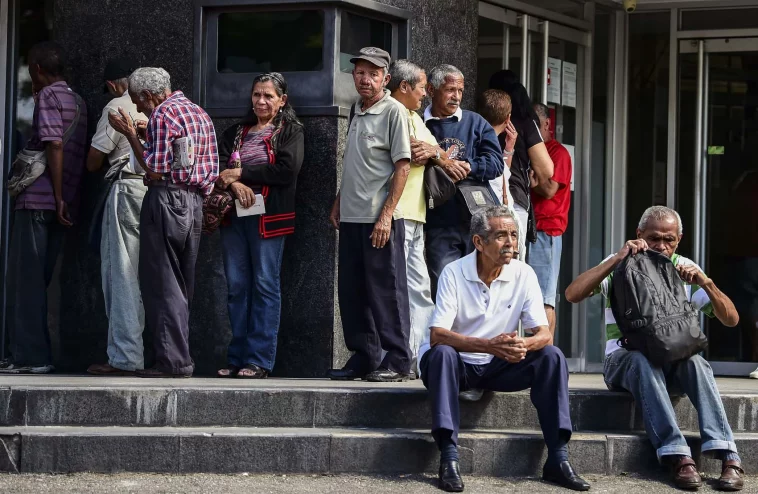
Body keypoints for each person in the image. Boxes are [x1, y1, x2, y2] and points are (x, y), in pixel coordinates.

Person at [565, 206, 744, 491]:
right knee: (640, 360)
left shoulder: (684, 267)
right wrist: (616, 260)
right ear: (639, 235)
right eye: (653, 238)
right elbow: (573, 294)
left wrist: (706, 283)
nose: (661, 245)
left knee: (696, 362)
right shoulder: (622, 264)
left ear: (679, 239)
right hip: (623, 361)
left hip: (672, 362)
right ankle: (679, 456)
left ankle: (728, 455)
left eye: (669, 239)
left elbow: (731, 319)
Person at [420, 205, 589, 493]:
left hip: (498, 366)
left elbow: (544, 334)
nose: (511, 242)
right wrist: (489, 345)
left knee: (552, 356)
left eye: (514, 234)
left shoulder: (524, 274)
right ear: (479, 242)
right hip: (458, 365)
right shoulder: (454, 272)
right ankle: (448, 457)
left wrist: (521, 345)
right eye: (501, 235)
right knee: (441, 353)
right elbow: (437, 335)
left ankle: (558, 459)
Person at [108, 67, 219, 378]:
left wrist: (131, 134)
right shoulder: (198, 112)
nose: (139, 107)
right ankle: (178, 358)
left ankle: (172, 362)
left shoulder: (161, 114)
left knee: (162, 283)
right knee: (182, 285)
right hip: (194, 202)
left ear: (148, 95)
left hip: (166, 199)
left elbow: (155, 169)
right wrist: (148, 135)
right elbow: (190, 159)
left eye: (138, 101)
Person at [326, 47, 413, 383]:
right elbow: (356, 164)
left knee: (387, 291)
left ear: (386, 79)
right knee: (353, 291)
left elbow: (402, 167)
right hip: (351, 215)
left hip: (381, 219)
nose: (365, 79)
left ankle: (397, 359)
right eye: (360, 72)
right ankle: (365, 355)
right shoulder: (355, 110)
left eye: (373, 74)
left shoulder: (394, 112)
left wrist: (386, 216)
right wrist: (339, 199)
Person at [1, 42, 88, 374]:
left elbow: (53, 144)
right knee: (40, 279)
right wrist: (65, 198)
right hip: (60, 205)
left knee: (27, 281)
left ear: (37, 69)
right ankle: (32, 354)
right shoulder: (77, 101)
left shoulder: (50, 97)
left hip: (39, 201)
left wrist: (55, 195)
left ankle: (31, 357)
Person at [215, 72, 304, 379]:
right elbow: (221, 169)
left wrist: (241, 175)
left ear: (282, 101)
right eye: (256, 95)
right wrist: (234, 184)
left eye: (268, 96)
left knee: (265, 285)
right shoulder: (235, 132)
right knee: (237, 286)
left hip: (269, 219)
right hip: (234, 217)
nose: (261, 101)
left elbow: (286, 170)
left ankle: (258, 361)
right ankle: (237, 356)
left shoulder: (290, 131)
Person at [86, 58, 150, 376]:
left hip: (126, 189)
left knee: (121, 274)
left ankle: (125, 357)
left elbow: (94, 160)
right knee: (151, 277)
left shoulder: (118, 104)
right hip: (158, 193)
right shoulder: (162, 107)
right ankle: (152, 353)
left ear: (114, 84)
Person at [423, 64, 504, 300]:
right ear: (431, 89)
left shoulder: (476, 122)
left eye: (460, 90)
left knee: (481, 288)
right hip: (439, 221)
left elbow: (496, 164)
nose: (456, 96)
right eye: (450, 90)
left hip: (477, 221)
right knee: (444, 288)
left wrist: (470, 166)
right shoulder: (419, 124)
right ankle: (449, 337)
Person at [387, 59, 438, 364]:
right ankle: (402, 355)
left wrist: (432, 152)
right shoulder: (390, 112)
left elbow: (435, 151)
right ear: (403, 86)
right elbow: (409, 152)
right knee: (398, 288)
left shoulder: (415, 116)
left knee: (419, 288)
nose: (425, 95)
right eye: (421, 87)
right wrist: (428, 152)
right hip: (397, 213)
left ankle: (421, 357)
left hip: (416, 214)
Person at [489, 70, 555, 261]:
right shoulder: (525, 122)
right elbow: (547, 169)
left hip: (484, 198)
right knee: (512, 264)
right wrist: (531, 177)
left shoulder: (482, 119)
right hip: (514, 197)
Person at [529, 103, 572, 336]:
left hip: (547, 231)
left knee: (543, 298)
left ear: (547, 124)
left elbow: (548, 190)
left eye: (535, 124)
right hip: (525, 229)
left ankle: (544, 359)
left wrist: (535, 179)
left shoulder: (558, 153)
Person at [477, 89, 518, 217]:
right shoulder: (487, 145)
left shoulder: (473, 141)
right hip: (492, 218)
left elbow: (502, 171)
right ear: (508, 118)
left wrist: (508, 150)